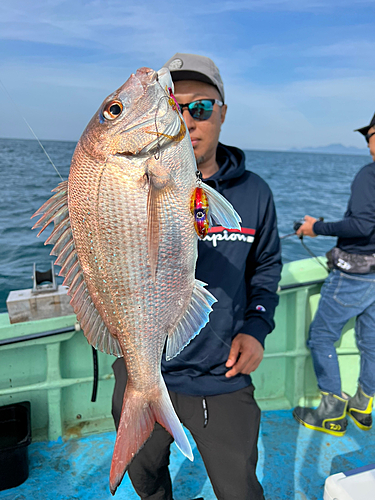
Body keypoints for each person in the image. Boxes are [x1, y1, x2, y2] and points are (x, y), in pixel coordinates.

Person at [112, 53, 282, 500]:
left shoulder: (255, 193)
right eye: (174, 106)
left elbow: (266, 267)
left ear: (222, 112)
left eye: (201, 107)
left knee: (240, 491)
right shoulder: (130, 185)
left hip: (220, 376)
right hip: (141, 369)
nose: (187, 119)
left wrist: (257, 327)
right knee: (148, 484)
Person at [293, 112, 375, 436]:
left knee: (321, 336)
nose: (368, 141)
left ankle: (331, 411)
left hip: (353, 275)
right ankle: (363, 405)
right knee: (370, 343)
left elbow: (362, 224)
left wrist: (316, 228)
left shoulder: (369, 175)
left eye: (369, 133)